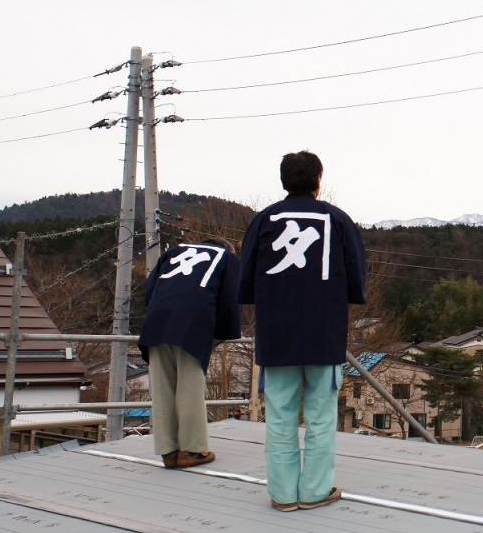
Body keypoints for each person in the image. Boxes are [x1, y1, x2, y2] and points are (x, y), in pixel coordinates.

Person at [239, 151, 366, 511]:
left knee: (279, 414)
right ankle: (314, 490)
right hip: (323, 333)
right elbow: (355, 276)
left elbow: (245, 277)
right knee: (322, 416)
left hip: (276, 333)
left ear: (283, 181)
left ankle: (281, 494)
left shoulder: (265, 219)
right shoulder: (336, 219)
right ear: (318, 180)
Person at [138, 238, 241, 469]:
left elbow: (149, 289)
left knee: (162, 387)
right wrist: (220, 334)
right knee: (189, 386)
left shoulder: (174, 252)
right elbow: (229, 301)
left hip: (157, 320)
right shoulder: (227, 258)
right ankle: (192, 450)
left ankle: (168, 451)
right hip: (194, 322)